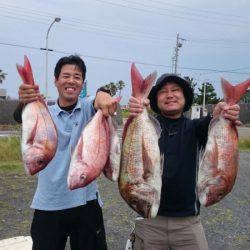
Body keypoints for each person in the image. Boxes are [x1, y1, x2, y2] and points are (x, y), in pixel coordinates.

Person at [13, 55, 117, 250]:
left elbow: (99, 100)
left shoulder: (88, 108)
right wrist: (24, 102)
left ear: (82, 83)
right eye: (65, 76)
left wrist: (103, 94)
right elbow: (20, 116)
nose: (71, 81)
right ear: (56, 80)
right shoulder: (45, 112)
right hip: (49, 204)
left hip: (86, 203)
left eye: (77, 77)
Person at [128, 73, 241, 250]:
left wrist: (221, 113)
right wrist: (136, 110)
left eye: (175, 90)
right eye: (163, 92)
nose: (170, 94)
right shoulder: (148, 127)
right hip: (149, 221)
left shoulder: (196, 128)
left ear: (185, 97)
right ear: (155, 99)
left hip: (188, 224)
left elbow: (211, 122)